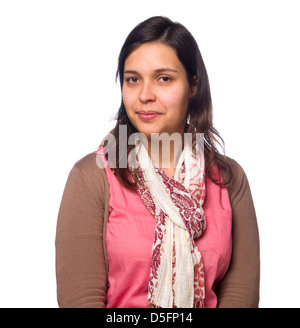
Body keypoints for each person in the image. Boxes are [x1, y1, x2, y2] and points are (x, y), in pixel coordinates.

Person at [55, 16, 260, 308]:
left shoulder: (229, 179)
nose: (145, 95)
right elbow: (80, 299)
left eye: (164, 78)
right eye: (133, 79)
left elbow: (241, 293)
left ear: (193, 86)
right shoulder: (93, 177)